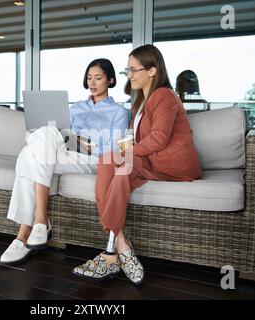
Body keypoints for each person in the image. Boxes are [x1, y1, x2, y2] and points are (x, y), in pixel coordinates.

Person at [72, 45, 202, 285]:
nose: (129, 75)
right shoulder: (141, 101)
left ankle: (112, 254)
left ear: (152, 71)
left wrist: (126, 151)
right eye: (127, 70)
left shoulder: (164, 95)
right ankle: (120, 247)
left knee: (119, 167)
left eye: (133, 70)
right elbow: (138, 139)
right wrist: (123, 147)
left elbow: (159, 138)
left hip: (172, 165)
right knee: (107, 160)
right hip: (152, 161)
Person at [0, 58, 129, 265]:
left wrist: (87, 144)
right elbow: (62, 134)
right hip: (66, 151)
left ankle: (25, 233)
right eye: (89, 78)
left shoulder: (119, 112)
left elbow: (113, 150)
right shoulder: (76, 107)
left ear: (110, 80)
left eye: (98, 78)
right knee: (47, 133)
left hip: (94, 159)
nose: (92, 83)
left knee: (29, 154)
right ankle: (38, 224)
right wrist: (69, 138)